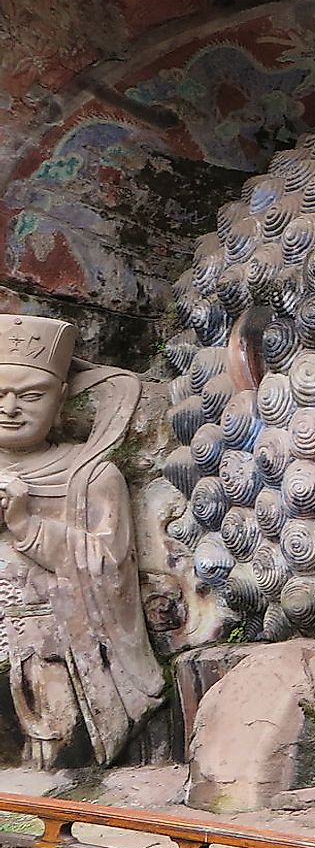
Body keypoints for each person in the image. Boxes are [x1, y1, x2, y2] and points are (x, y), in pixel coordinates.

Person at [0, 314, 164, 767]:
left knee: (52, 743)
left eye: (30, 395)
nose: (11, 408)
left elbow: (109, 569)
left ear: (61, 399)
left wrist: (26, 524)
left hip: (51, 648)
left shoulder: (90, 477)